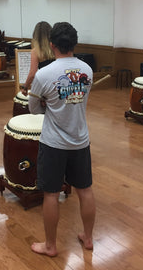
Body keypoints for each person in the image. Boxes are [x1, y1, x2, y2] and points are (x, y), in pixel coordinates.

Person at [28, 22, 95, 257]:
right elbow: (81, 100)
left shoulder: (44, 74)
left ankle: (50, 245)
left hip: (53, 143)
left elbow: (33, 108)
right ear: (74, 44)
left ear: (51, 44)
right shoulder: (87, 70)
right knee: (85, 190)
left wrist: (49, 105)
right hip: (80, 140)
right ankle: (88, 238)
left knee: (51, 194)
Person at [20, 21, 55, 96]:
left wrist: (25, 86)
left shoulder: (36, 51)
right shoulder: (56, 48)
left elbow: (32, 73)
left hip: (45, 85)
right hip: (58, 83)